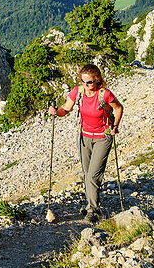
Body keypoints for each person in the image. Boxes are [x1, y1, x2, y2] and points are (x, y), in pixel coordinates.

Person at [46, 64, 123, 223]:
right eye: (83, 81)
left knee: (93, 176)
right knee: (87, 173)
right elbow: (65, 109)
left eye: (89, 82)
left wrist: (115, 126)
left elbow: (119, 108)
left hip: (103, 137)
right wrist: (56, 112)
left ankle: (93, 211)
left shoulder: (105, 94)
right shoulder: (78, 92)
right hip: (84, 136)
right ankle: (91, 203)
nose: (86, 85)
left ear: (98, 80)